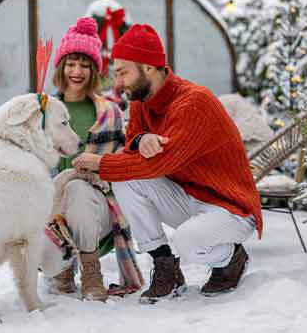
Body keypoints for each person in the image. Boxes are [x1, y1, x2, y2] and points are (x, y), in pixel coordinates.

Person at [72, 23, 263, 304]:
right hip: (188, 197)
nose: (118, 83)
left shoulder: (194, 102)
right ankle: (165, 268)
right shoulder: (141, 99)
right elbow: (132, 145)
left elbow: (157, 165)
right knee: (125, 177)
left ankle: (231, 259)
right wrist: (140, 140)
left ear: (148, 67)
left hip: (230, 206)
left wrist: (100, 163)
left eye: (123, 72)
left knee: (187, 242)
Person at [46, 17, 126, 301]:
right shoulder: (44, 111)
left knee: (77, 188)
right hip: (50, 212)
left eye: (84, 65)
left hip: (96, 211)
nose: (76, 71)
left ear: (94, 70)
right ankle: (60, 266)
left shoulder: (109, 113)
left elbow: (121, 167)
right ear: (61, 67)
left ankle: (91, 274)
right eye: (70, 64)